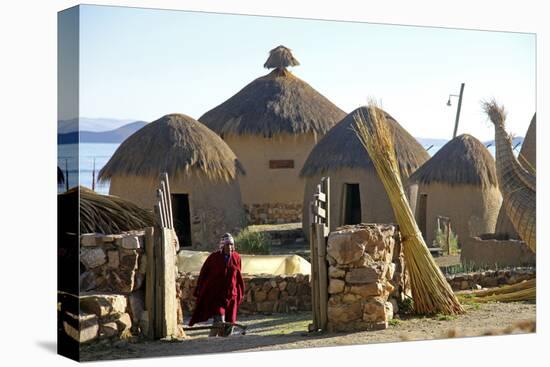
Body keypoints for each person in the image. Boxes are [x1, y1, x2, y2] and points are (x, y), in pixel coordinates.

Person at [189, 233, 244, 336]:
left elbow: (238, 277)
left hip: (232, 296)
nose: (230, 247)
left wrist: (239, 292)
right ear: (222, 246)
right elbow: (203, 273)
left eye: (231, 244)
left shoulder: (237, 258)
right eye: (227, 245)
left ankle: (224, 343)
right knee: (219, 321)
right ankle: (212, 340)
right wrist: (200, 288)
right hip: (217, 295)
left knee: (230, 323)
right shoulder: (214, 258)